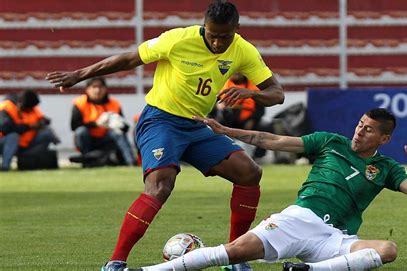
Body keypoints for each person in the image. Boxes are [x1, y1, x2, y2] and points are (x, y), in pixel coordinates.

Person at [45, 1, 284, 270]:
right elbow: (129, 58)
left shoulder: (243, 50)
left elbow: (277, 93)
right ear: (204, 26)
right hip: (161, 120)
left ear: (236, 29)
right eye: (212, 35)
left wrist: (253, 93)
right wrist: (79, 74)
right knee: (161, 186)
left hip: (197, 126)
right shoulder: (177, 39)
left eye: (224, 37)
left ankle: (235, 259)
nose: (217, 43)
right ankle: (115, 262)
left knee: (249, 172)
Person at [124, 108, 407, 271]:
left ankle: (307, 270)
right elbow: (271, 140)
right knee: (232, 253)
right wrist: (226, 131)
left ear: (384, 139)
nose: (359, 131)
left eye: (368, 130)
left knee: (387, 250)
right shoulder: (331, 142)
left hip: (334, 238)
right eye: (360, 124)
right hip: (298, 220)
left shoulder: (388, 169)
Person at [70, 76, 136, 167]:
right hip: (88, 139)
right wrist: (97, 124)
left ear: (105, 89)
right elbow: (74, 126)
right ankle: (87, 160)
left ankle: (130, 162)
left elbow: (125, 128)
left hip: (107, 139)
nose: (97, 90)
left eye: (100, 87)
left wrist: (117, 125)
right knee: (81, 131)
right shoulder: (79, 103)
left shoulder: (115, 103)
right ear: (87, 89)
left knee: (118, 133)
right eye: (94, 87)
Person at [212, 73, 268, 160]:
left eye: (238, 71)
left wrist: (253, 120)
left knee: (266, 126)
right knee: (211, 128)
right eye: (234, 71)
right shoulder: (222, 84)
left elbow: (261, 109)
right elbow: (212, 104)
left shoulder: (254, 87)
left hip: (247, 120)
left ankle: (258, 157)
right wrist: (218, 106)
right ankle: (217, 156)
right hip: (226, 120)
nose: (235, 74)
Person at [0, 90, 60, 171]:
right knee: (13, 136)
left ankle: (28, 162)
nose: (30, 110)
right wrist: (29, 126)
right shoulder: (6, 107)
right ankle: (5, 166)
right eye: (28, 109)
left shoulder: (31, 106)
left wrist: (41, 123)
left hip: (26, 144)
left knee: (46, 134)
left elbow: (45, 120)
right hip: (5, 143)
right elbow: (5, 129)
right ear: (21, 104)